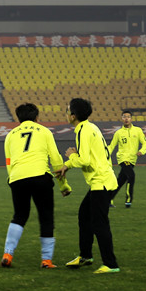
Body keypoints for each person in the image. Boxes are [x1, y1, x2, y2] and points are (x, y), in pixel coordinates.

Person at [1, 103, 72, 269]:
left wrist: (12, 178)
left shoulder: (10, 135)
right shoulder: (45, 131)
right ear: (37, 117)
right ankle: (46, 260)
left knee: (19, 216)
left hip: (17, 178)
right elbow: (56, 159)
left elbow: (9, 161)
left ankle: (7, 254)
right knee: (46, 216)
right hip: (40, 177)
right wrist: (63, 185)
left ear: (19, 118)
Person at [56, 98, 120, 274]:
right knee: (84, 216)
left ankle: (111, 264)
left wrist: (70, 157)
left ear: (73, 116)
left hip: (101, 183)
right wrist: (68, 165)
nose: (66, 113)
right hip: (102, 180)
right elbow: (89, 156)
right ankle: (85, 256)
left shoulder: (83, 131)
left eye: (67, 110)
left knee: (99, 224)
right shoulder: (90, 127)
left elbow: (84, 160)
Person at [107, 110, 146, 207]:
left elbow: (145, 143)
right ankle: (128, 200)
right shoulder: (118, 133)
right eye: (124, 117)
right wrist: (104, 155)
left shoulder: (138, 130)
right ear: (122, 119)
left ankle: (108, 199)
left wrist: (142, 151)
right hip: (123, 159)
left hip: (132, 160)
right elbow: (111, 146)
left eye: (128, 117)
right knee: (131, 175)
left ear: (131, 119)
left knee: (120, 181)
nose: (126, 119)